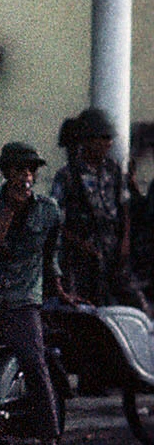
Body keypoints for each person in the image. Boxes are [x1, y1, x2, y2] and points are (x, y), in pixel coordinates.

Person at [0, 142, 81, 445]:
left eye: (30, 170)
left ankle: (49, 443)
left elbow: (51, 254)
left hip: (23, 298)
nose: (25, 176)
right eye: (18, 170)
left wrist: (59, 289)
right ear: (5, 173)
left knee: (34, 362)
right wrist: (8, 214)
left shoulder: (48, 210)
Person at [50, 107, 143, 311]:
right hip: (81, 260)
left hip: (114, 253)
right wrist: (81, 244)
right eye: (103, 138)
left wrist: (125, 243)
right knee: (86, 311)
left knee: (136, 307)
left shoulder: (113, 170)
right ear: (87, 140)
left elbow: (124, 207)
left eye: (109, 138)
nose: (108, 143)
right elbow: (55, 222)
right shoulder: (67, 176)